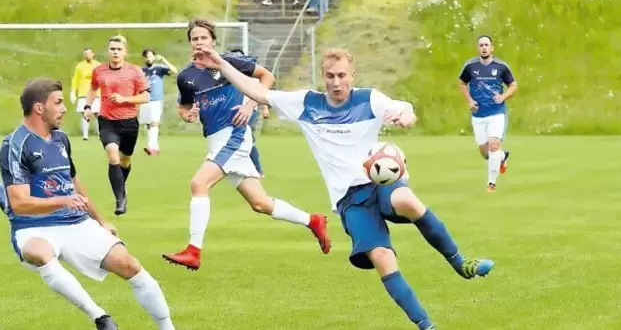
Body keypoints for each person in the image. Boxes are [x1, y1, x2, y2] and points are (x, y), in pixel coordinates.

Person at [191, 46, 494, 330]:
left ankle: (460, 263)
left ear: (352, 76)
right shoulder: (307, 103)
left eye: (342, 76)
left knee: (407, 200)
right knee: (383, 259)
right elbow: (256, 90)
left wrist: (405, 117)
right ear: (323, 76)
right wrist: (221, 63)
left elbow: (406, 109)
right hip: (350, 200)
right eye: (330, 76)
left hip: (379, 182)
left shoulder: (369, 99)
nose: (337, 82)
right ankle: (427, 326)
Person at [0, 78, 175, 330]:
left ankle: (168, 328)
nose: (64, 108)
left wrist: (101, 220)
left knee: (130, 265)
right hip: (33, 227)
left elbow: (75, 184)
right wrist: (63, 200)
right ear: (39, 108)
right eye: (58, 103)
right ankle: (100, 318)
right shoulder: (14, 145)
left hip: (74, 221)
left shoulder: (60, 138)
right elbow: (19, 204)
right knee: (40, 252)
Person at [162, 18, 330, 271]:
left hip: (235, 136)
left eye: (203, 37)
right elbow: (184, 106)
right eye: (194, 38)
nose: (199, 42)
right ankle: (313, 221)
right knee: (260, 203)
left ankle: (193, 250)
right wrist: (188, 114)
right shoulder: (186, 76)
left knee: (198, 183)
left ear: (213, 41)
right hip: (215, 141)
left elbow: (267, 77)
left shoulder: (229, 61)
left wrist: (250, 105)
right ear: (190, 43)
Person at [84, 36, 150, 216]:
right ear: (108, 51)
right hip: (107, 121)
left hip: (129, 122)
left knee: (124, 161)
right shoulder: (99, 71)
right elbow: (92, 88)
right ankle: (120, 199)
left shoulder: (135, 71)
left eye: (119, 49)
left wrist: (125, 99)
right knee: (113, 156)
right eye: (112, 49)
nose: (115, 52)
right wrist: (88, 106)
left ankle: (121, 188)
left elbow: (145, 97)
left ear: (125, 52)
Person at [458, 36, 517, 193]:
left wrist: (503, 96)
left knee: (493, 146)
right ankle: (502, 157)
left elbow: (513, 85)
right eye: (481, 45)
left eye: (486, 45)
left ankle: (491, 183)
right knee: (486, 153)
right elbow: (462, 83)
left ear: (492, 48)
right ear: (478, 48)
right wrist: (469, 100)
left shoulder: (501, 67)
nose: (484, 47)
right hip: (478, 115)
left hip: (496, 113)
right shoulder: (470, 66)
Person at [230, 47, 269, 176]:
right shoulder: (228, 75)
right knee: (233, 139)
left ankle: (257, 170)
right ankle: (233, 168)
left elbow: (261, 92)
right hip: (233, 110)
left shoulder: (253, 75)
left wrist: (265, 108)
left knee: (247, 139)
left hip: (250, 111)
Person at [140, 49, 178, 155]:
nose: (149, 59)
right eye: (147, 57)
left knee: (154, 122)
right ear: (144, 58)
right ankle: (155, 147)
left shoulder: (159, 68)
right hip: (145, 99)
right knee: (148, 124)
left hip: (156, 99)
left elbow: (174, 71)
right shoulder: (141, 70)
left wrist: (164, 60)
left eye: (151, 56)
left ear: (154, 57)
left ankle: (150, 147)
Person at [71, 48, 101, 141]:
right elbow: (75, 80)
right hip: (83, 93)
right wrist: (73, 92)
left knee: (97, 114)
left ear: (93, 54)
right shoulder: (80, 66)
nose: (87, 55)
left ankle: (100, 133)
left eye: (89, 53)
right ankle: (85, 136)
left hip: (96, 93)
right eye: (85, 54)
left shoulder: (98, 65)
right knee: (85, 114)